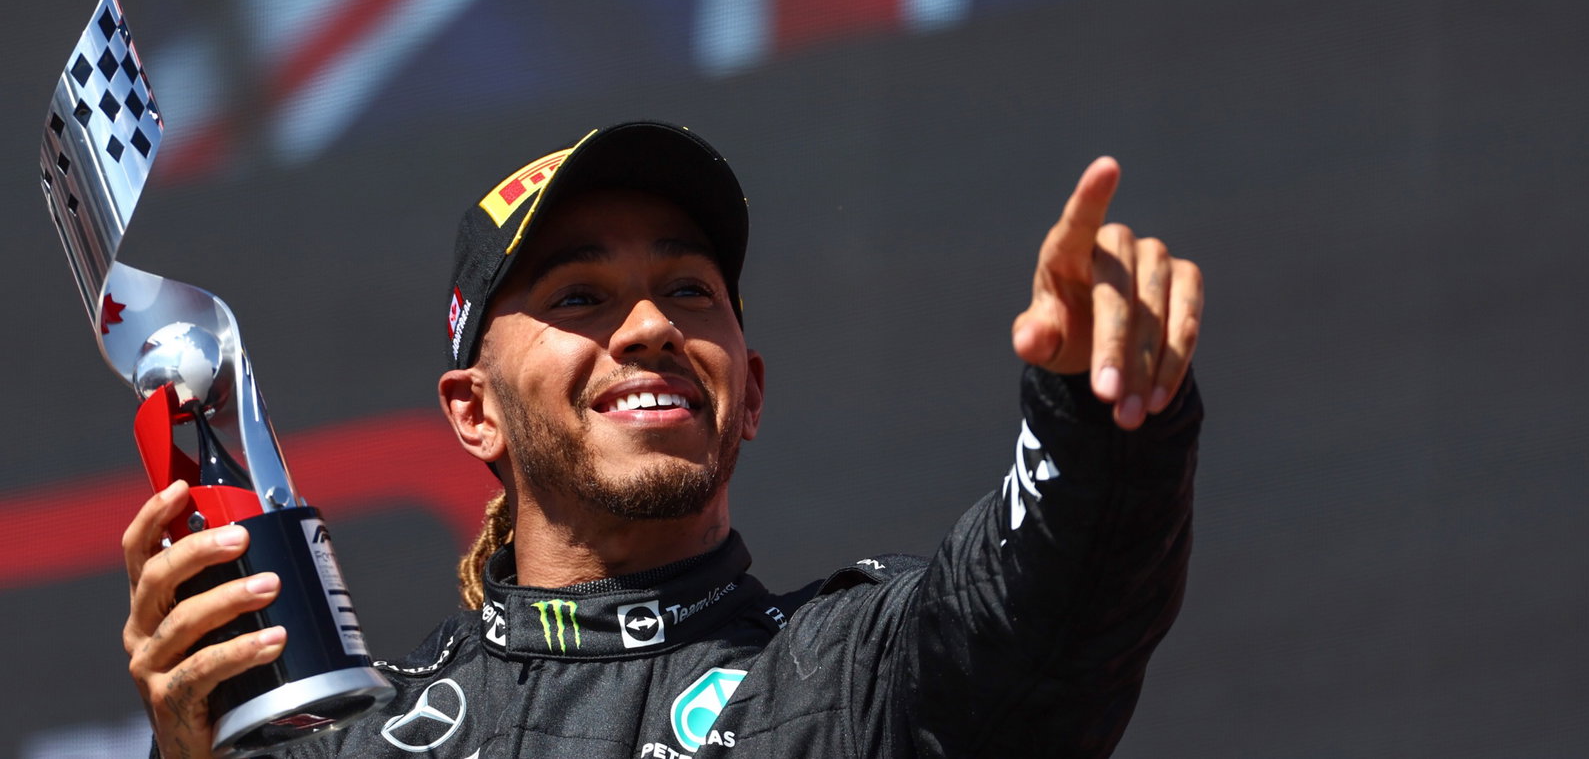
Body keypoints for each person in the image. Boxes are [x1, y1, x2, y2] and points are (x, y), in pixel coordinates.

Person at [122, 120, 1204, 759]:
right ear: (472, 410)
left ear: (751, 389)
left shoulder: (857, 673)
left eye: (687, 289)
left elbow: (1054, 602)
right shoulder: (371, 742)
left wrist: (1098, 408)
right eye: (581, 295)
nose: (648, 328)